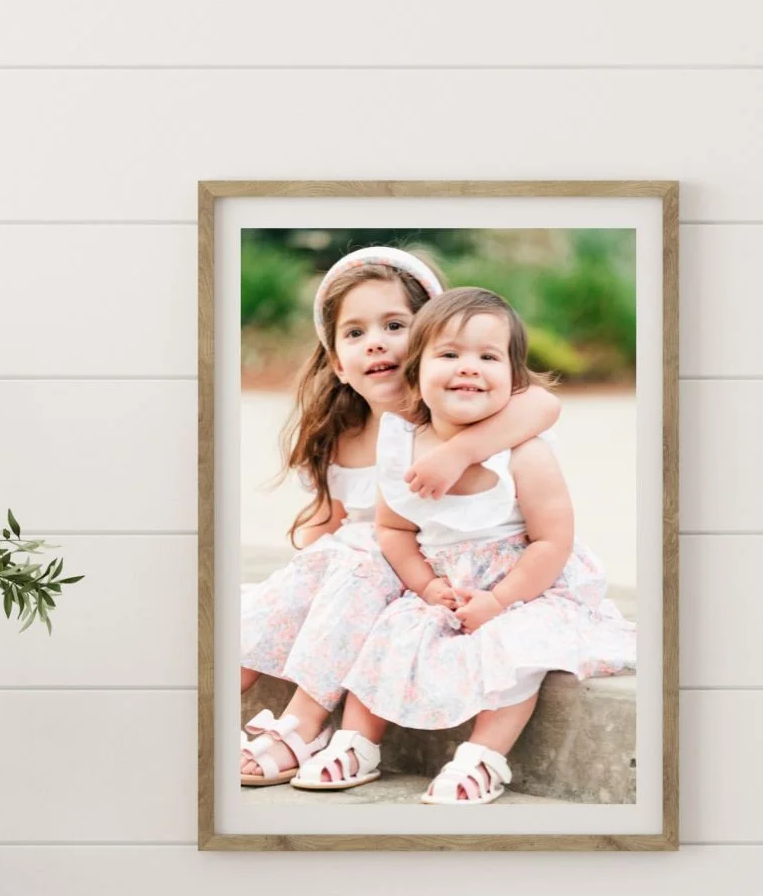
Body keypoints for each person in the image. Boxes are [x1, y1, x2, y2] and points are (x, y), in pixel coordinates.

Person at [293, 286, 636, 801]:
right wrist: (427, 586)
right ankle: (358, 741)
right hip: (446, 586)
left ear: (514, 379)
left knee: (517, 648)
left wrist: (500, 600)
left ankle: (483, 757)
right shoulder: (404, 448)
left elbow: (552, 541)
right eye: (449, 355)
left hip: (527, 589)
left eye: (488, 357)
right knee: (390, 632)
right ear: (415, 374)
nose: (469, 367)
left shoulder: (522, 453)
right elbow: (395, 529)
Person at [239, 248, 562, 786]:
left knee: (360, 566)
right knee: (288, 591)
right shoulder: (340, 432)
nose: (377, 342)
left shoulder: (458, 420)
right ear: (338, 362)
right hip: (353, 568)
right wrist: (303, 587)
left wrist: (460, 451)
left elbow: (543, 404)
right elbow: (329, 520)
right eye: (355, 333)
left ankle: (304, 722)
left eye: (395, 325)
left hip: (408, 566)